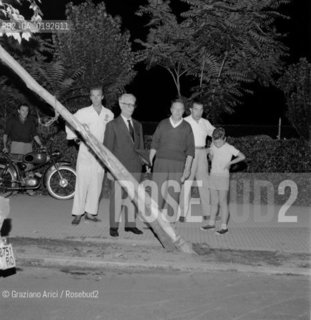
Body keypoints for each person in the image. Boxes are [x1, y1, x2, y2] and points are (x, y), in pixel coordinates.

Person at [66, 86, 114, 225]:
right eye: (93, 96)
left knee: (97, 183)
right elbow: (70, 122)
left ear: (102, 97)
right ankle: (78, 213)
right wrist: (75, 138)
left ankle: (91, 213)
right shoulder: (82, 112)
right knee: (82, 182)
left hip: (100, 153)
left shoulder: (109, 114)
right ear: (90, 97)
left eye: (98, 95)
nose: (95, 98)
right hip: (85, 151)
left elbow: (112, 134)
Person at [104, 93, 144, 237]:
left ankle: (130, 225)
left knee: (133, 198)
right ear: (121, 105)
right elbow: (106, 151)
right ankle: (113, 226)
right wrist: (108, 169)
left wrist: (143, 163)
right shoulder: (112, 125)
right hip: (118, 168)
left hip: (135, 168)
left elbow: (141, 147)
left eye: (133, 104)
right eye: (128, 104)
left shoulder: (138, 125)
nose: (131, 108)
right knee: (117, 198)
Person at [149, 100, 195, 221]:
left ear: (184, 111)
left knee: (173, 193)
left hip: (178, 164)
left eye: (180, 109)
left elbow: (190, 150)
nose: (178, 111)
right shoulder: (163, 124)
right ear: (171, 109)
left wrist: (187, 168)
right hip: (161, 162)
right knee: (157, 192)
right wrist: (149, 161)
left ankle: (170, 221)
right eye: (175, 108)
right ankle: (154, 220)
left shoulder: (187, 127)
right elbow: (154, 143)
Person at [200, 127, 245, 234]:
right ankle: (211, 224)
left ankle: (224, 227)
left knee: (223, 202)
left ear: (224, 139)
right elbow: (212, 158)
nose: (217, 145)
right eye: (215, 142)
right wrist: (210, 155)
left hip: (223, 177)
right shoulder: (213, 145)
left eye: (219, 142)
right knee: (214, 202)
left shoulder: (230, 148)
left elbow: (242, 156)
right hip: (213, 176)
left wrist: (230, 163)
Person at [178, 100, 215, 222]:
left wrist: (212, 149)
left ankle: (207, 213)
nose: (199, 112)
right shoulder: (185, 121)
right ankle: (183, 213)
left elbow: (216, 135)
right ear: (191, 110)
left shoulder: (205, 122)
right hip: (190, 153)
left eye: (201, 109)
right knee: (187, 182)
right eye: (196, 109)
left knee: (204, 183)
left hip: (203, 153)